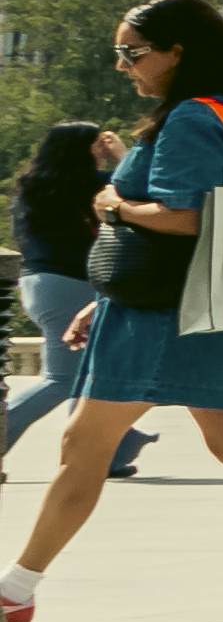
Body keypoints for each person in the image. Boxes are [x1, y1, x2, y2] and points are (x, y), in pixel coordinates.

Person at [1, 0, 223, 622]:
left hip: (164, 313)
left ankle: (15, 591)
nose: (122, 65)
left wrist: (115, 206)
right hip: (212, 307)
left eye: (132, 53)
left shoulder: (190, 119)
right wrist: (101, 298)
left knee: (84, 443)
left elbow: (186, 216)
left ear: (176, 53)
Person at [3, 123, 127, 487]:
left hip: (36, 283)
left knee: (93, 373)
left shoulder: (32, 186)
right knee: (62, 379)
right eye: (97, 144)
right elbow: (135, 190)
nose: (102, 150)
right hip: (70, 287)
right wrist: (122, 156)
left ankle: (105, 453)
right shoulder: (89, 185)